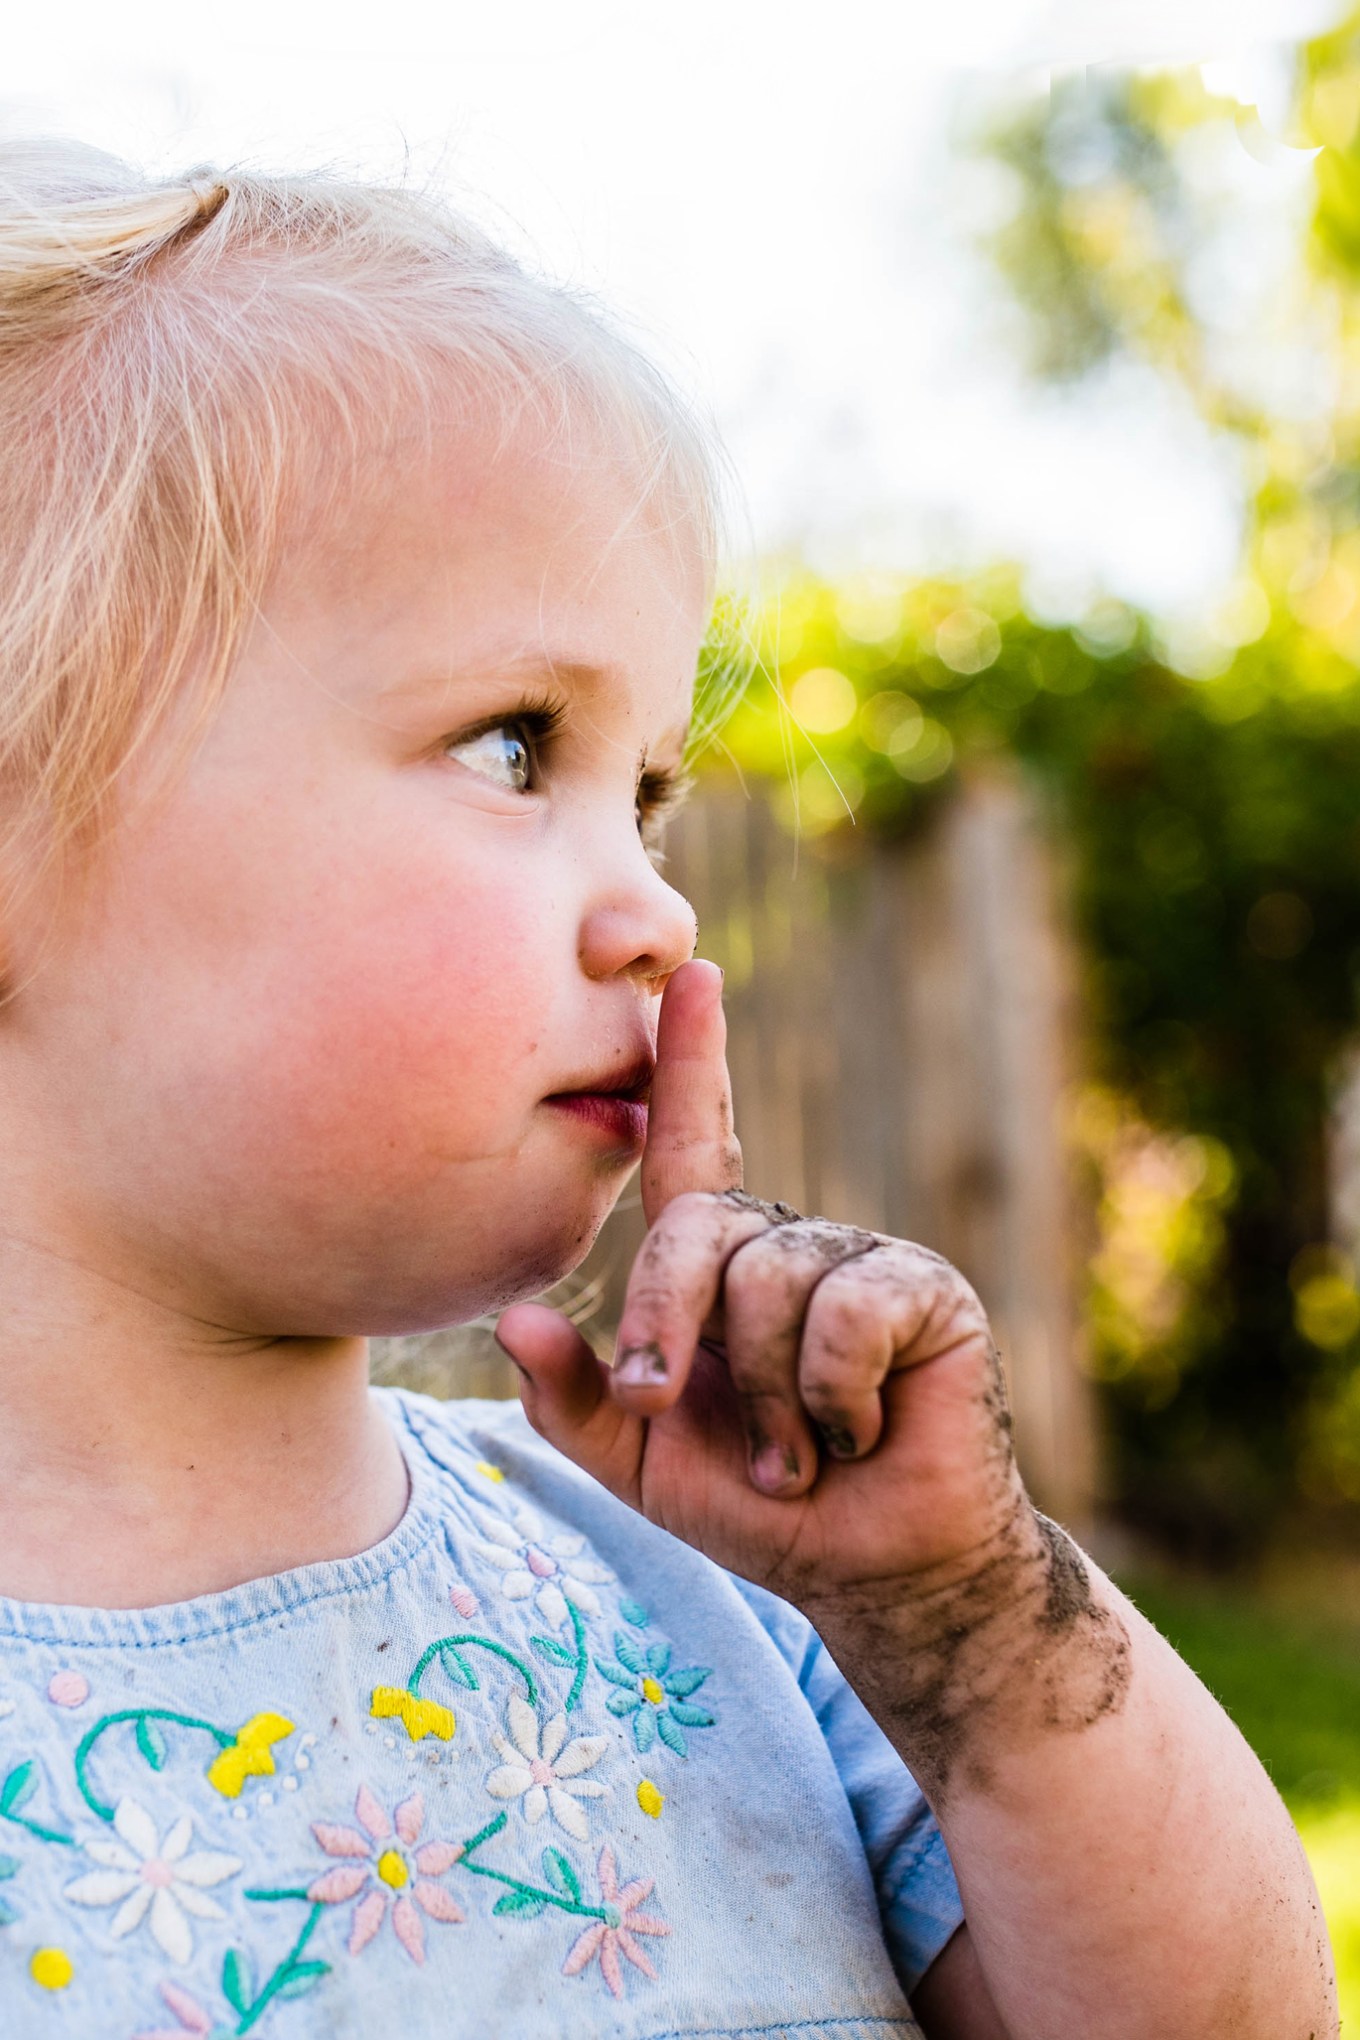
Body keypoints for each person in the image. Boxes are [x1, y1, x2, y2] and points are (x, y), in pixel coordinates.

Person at [0, 140, 1334, 2040]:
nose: (655, 907)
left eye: (644, 794)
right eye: (512, 743)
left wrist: (966, 1629)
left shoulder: (727, 1616)